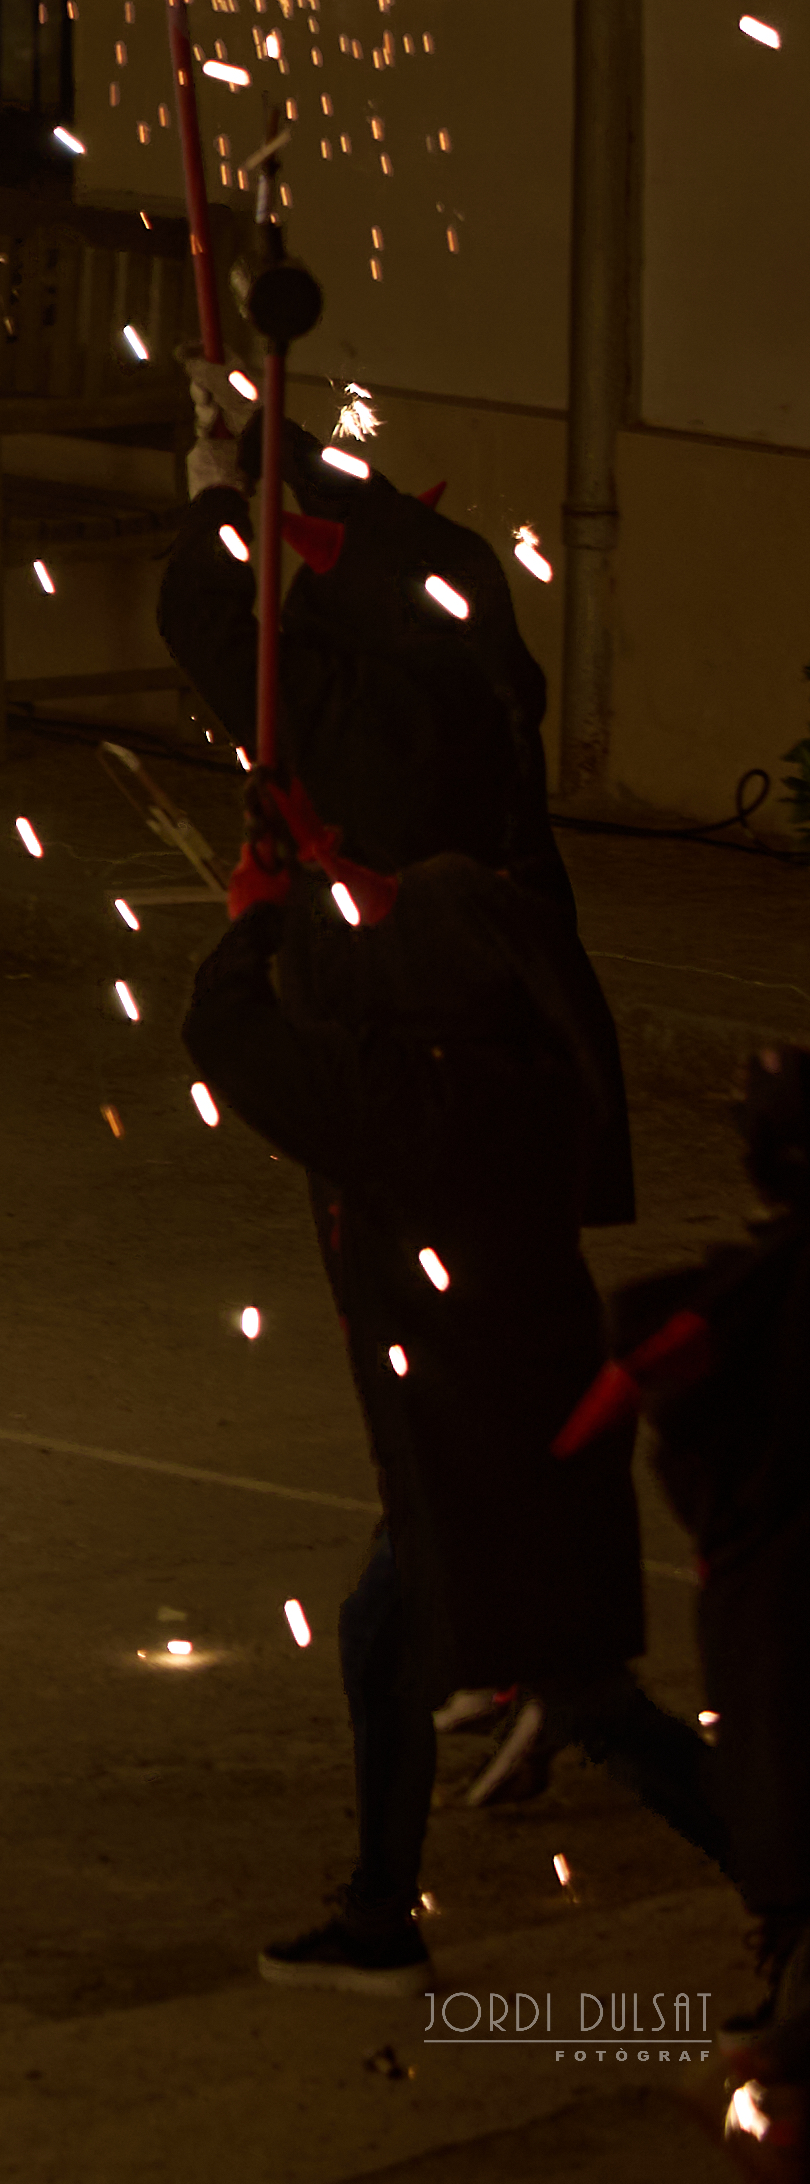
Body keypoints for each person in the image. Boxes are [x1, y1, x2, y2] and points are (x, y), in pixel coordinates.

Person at [188, 848, 726, 1991]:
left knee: (587, 1698)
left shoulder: (406, 1099)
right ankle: (380, 1914)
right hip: (515, 1405)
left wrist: (254, 925)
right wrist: (316, 858)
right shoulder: (533, 1064)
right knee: (380, 1640)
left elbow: (232, 1038)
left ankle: (786, 1875)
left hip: (475, 1443)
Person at [566, 1048, 810, 2143]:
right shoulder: (766, 1280)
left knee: (787, 1789)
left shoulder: (768, 1291)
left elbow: (653, 1369)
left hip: (787, 1587)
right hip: (776, 1577)